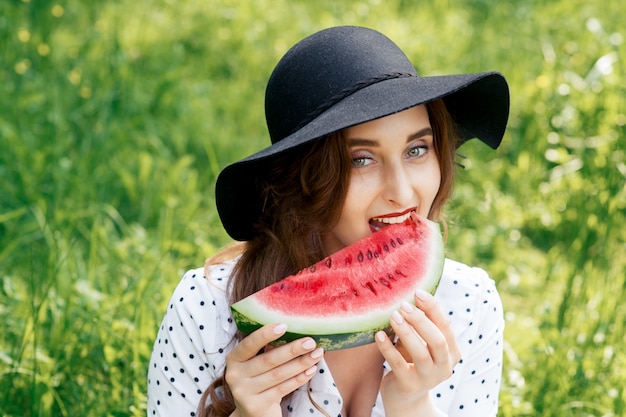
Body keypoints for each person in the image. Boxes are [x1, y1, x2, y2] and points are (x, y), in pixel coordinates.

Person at [146, 26, 510, 417]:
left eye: (417, 149)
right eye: (361, 159)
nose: (403, 193)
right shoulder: (204, 310)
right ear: (304, 179)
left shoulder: (470, 304)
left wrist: (410, 404)